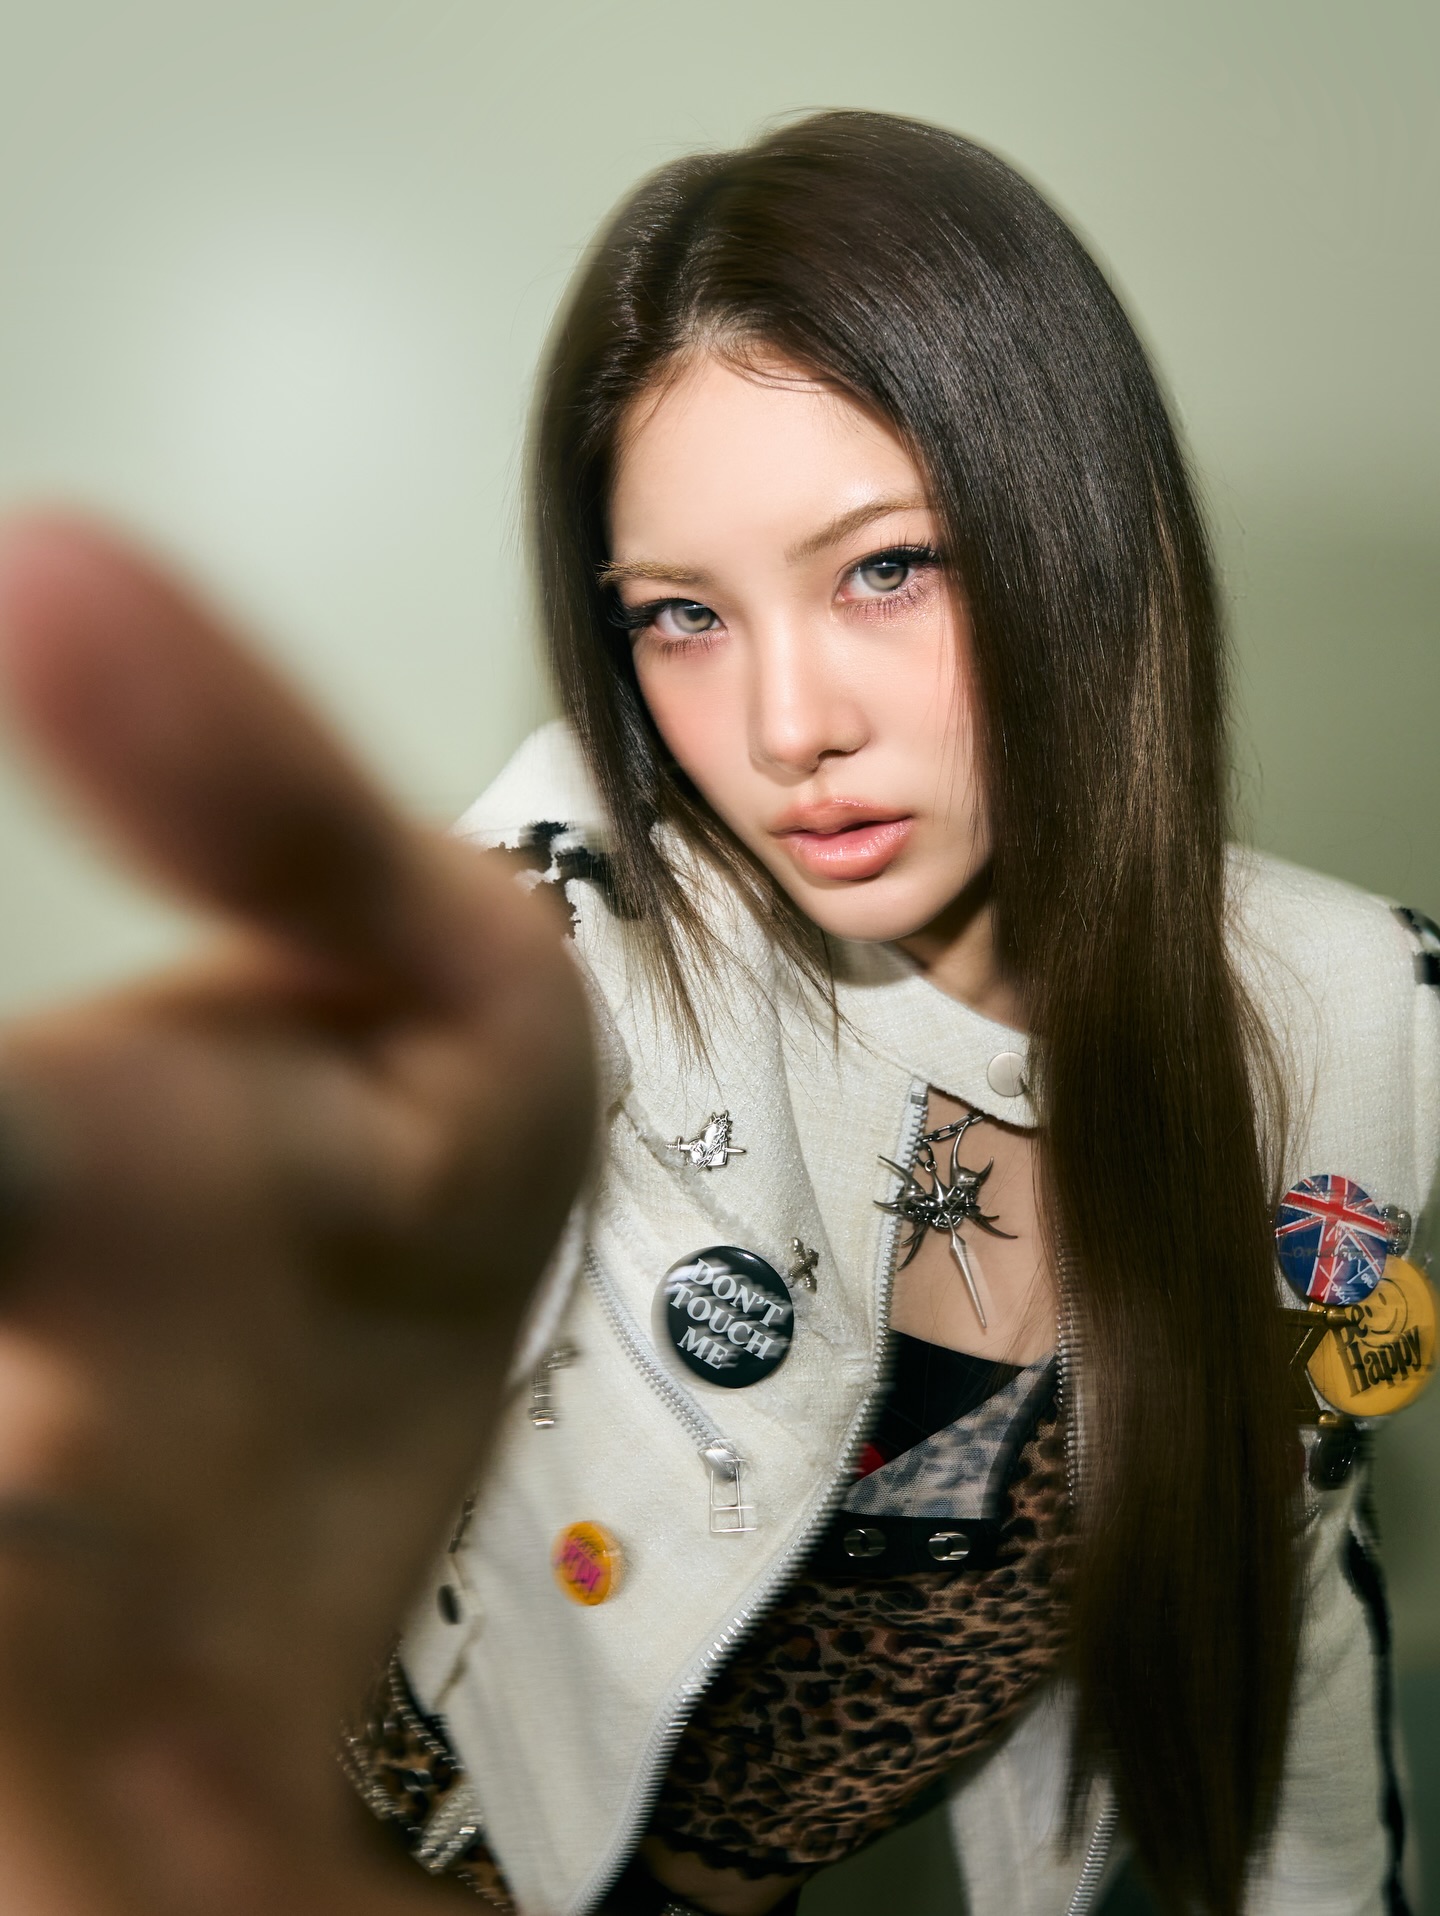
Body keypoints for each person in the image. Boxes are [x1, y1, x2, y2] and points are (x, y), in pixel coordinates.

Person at [0, 106, 1431, 1916]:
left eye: (888, 570)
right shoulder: (572, 930)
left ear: (1083, 534)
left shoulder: (1356, 1017)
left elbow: (1290, 1590)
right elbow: (374, 1135)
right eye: (681, 616)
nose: (784, 728)